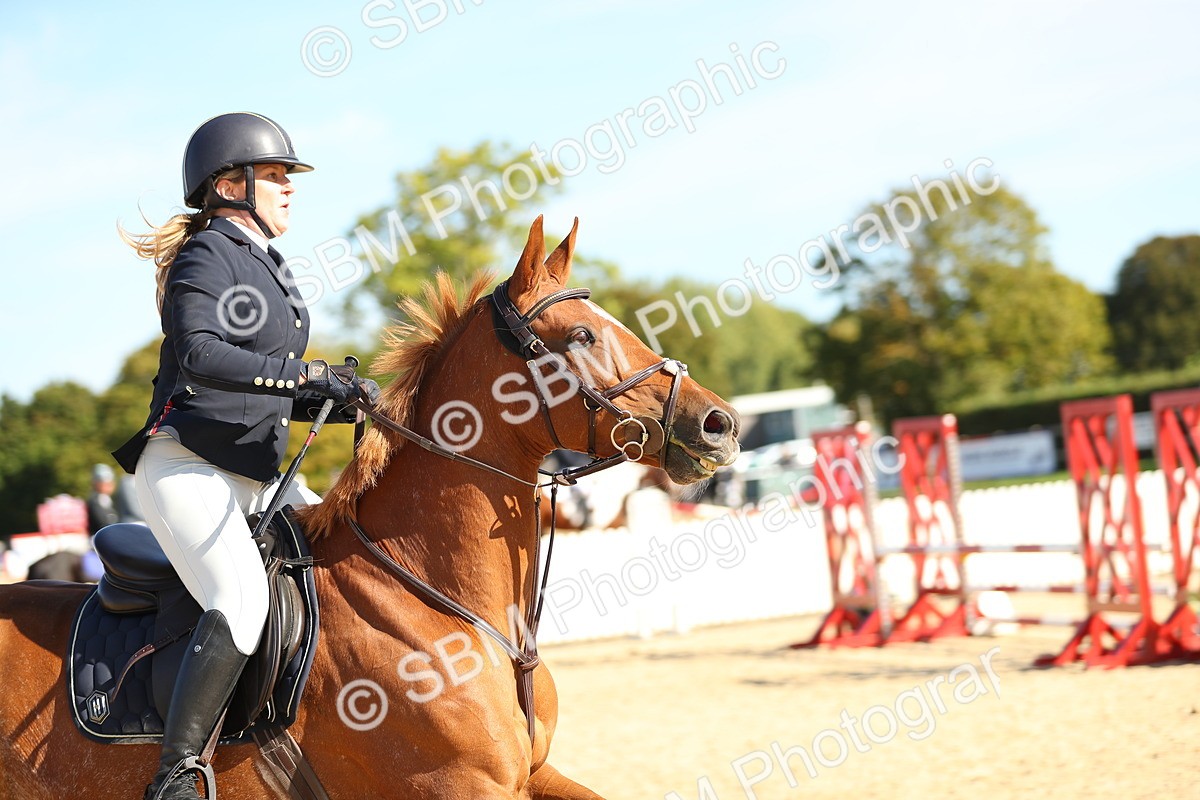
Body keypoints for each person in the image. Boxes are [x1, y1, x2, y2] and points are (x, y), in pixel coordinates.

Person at [113, 112, 380, 800]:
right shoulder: (208, 253)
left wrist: (336, 396)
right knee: (241, 595)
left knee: (339, 568)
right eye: (277, 175)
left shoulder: (270, 266)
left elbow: (254, 389)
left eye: (290, 177)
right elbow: (202, 357)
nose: (290, 188)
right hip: (188, 468)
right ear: (230, 184)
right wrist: (306, 377)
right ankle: (176, 775)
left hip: (255, 476)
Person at [86, 463, 120, 535]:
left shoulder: (110, 499)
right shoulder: (95, 500)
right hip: (99, 536)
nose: (110, 486)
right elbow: (102, 521)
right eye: (106, 483)